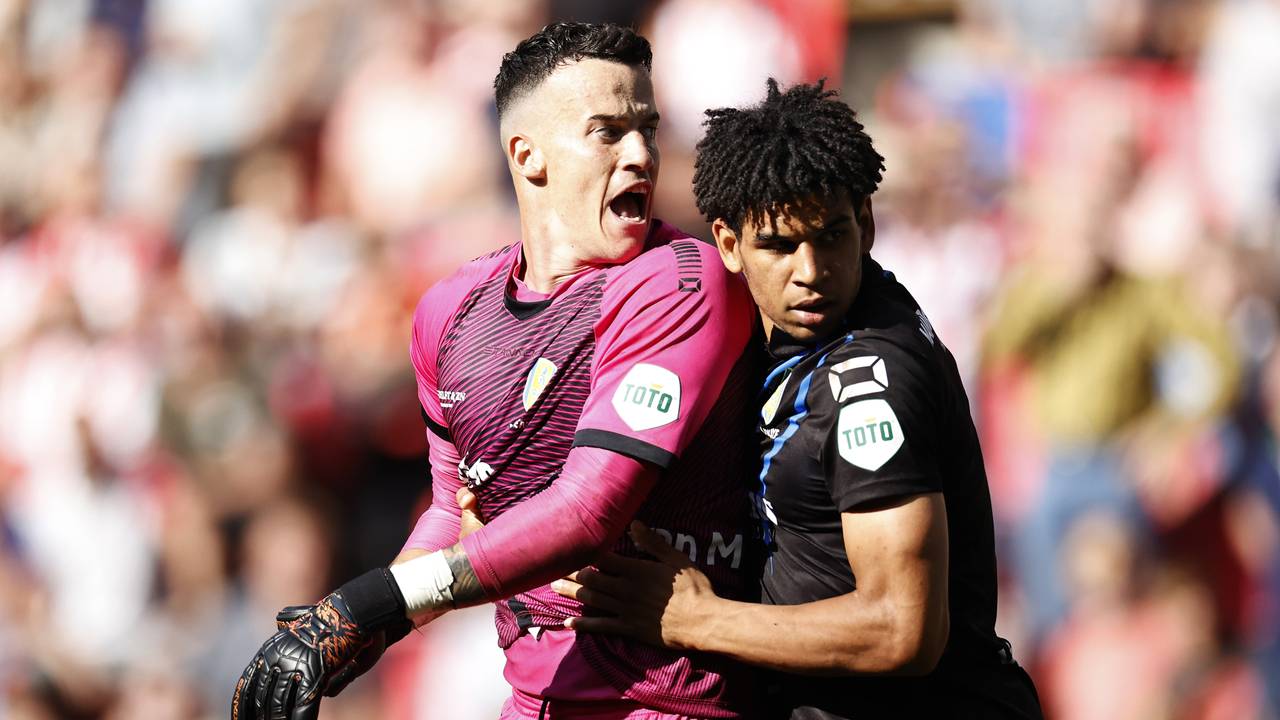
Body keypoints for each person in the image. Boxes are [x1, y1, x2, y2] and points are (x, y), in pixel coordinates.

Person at [231, 22, 763, 720]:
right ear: (527, 155)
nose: (639, 155)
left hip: (668, 704)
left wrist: (364, 606)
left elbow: (587, 511)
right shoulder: (450, 312)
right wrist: (358, 636)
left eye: (647, 129)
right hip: (530, 699)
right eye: (606, 132)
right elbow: (456, 514)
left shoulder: (682, 282)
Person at [551, 80, 1044, 719]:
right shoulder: (787, 339)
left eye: (831, 236)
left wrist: (699, 620)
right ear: (728, 245)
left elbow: (903, 629)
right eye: (780, 246)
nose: (810, 271)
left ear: (865, 224)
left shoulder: (870, 382)